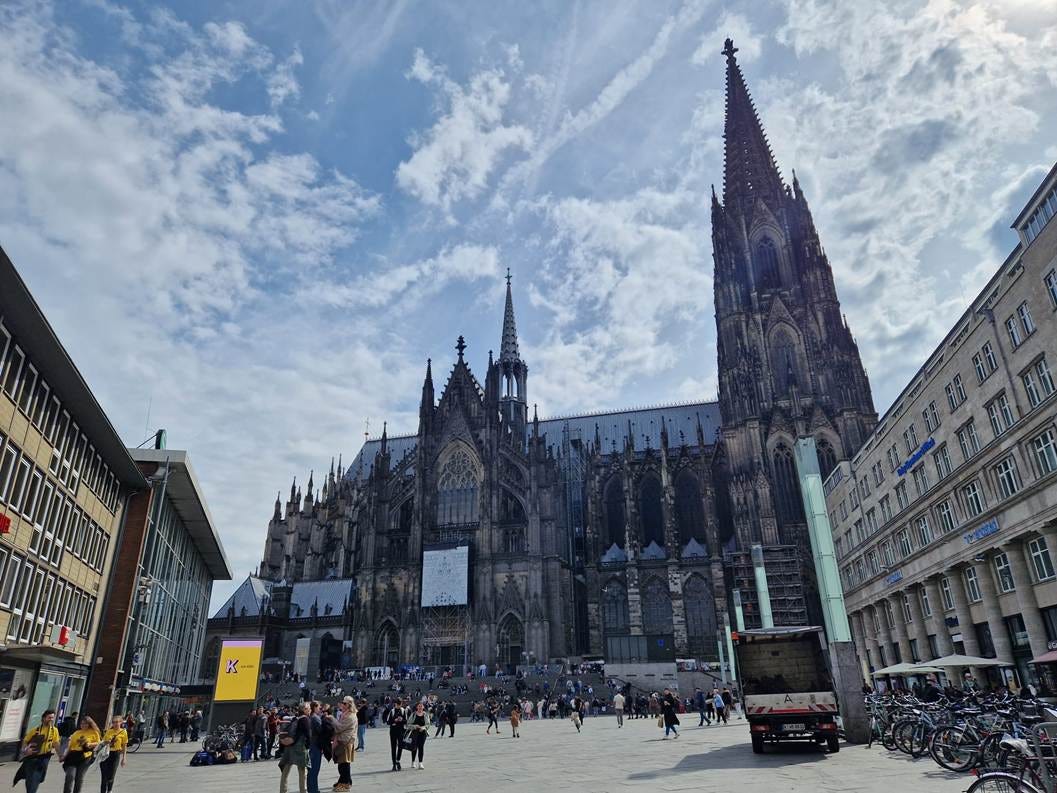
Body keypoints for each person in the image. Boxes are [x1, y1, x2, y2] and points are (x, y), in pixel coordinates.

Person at [15, 709, 59, 793]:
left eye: (53, 718)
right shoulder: (35, 730)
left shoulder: (54, 730)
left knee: (38, 778)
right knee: (31, 778)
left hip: (44, 757)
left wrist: (60, 755)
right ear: (44, 718)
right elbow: (25, 741)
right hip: (32, 757)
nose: (51, 719)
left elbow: (56, 743)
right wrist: (25, 750)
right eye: (49, 717)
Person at [61, 715, 101, 793]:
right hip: (73, 756)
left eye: (85, 724)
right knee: (70, 776)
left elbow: (99, 743)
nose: (83, 725)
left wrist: (89, 744)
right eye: (82, 724)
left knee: (79, 778)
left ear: (89, 724)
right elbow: (70, 747)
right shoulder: (76, 733)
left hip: (85, 757)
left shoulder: (94, 732)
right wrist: (64, 756)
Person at [278, 702, 310, 793]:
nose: (310, 710)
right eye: (308, 709)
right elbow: (308, 734)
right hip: (299, 748)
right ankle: (303, 791)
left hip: (289, 747)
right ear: (304, 709)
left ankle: (283, 790)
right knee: (302, 772)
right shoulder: (305, 719)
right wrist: (308, 746)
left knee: (285, 771)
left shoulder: (295, 718)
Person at [330, 697, 356, 792]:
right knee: (342, 763)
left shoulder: (350, 716)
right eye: (342, 703)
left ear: (349, 705)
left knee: (344, 764)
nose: (342, 705)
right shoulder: (345, 714)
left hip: (345, 742)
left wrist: (332, 719)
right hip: (344, 741)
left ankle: (345, 784)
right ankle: (344, 781)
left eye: (344, 703)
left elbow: (339, 728)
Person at [98, 715, 128, 793]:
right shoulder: (109, 731)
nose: (115, 724)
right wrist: (106, 742)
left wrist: (124, 758)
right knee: (104, 776)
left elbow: (124, 746)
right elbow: (102, 742)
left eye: (117, 722)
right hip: (106, 754)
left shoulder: (123, 732)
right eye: (114, 722)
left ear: (121, 722)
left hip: (115, 754)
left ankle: (109, 790)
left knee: (111, 775)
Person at [385, 697, 407, 772]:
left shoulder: (403, 711)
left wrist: (401, 720)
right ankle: (394, 764)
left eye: (400, 704)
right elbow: (388, 721)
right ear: (395, 704)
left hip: (401, 731)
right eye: (397, 704)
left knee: (401, 746)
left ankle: (398, 760)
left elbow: (406, 721)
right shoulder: (392, 711)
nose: (398, 705)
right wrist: (394, 720)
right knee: (393, 747)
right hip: (393, 731)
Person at [408, 702, 428, 769]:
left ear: (423, 707)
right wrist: (414, 726)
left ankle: (420, 763)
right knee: (414, 747)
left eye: (421, 706)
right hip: (414, 733)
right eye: (419, 706)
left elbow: (428, 724)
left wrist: (423, 728)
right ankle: (413, 762)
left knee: (421, 747)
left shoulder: (425, 714)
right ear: (417, 707)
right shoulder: (413, 714)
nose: (420, 707)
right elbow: (408, 724)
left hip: (422, 733)